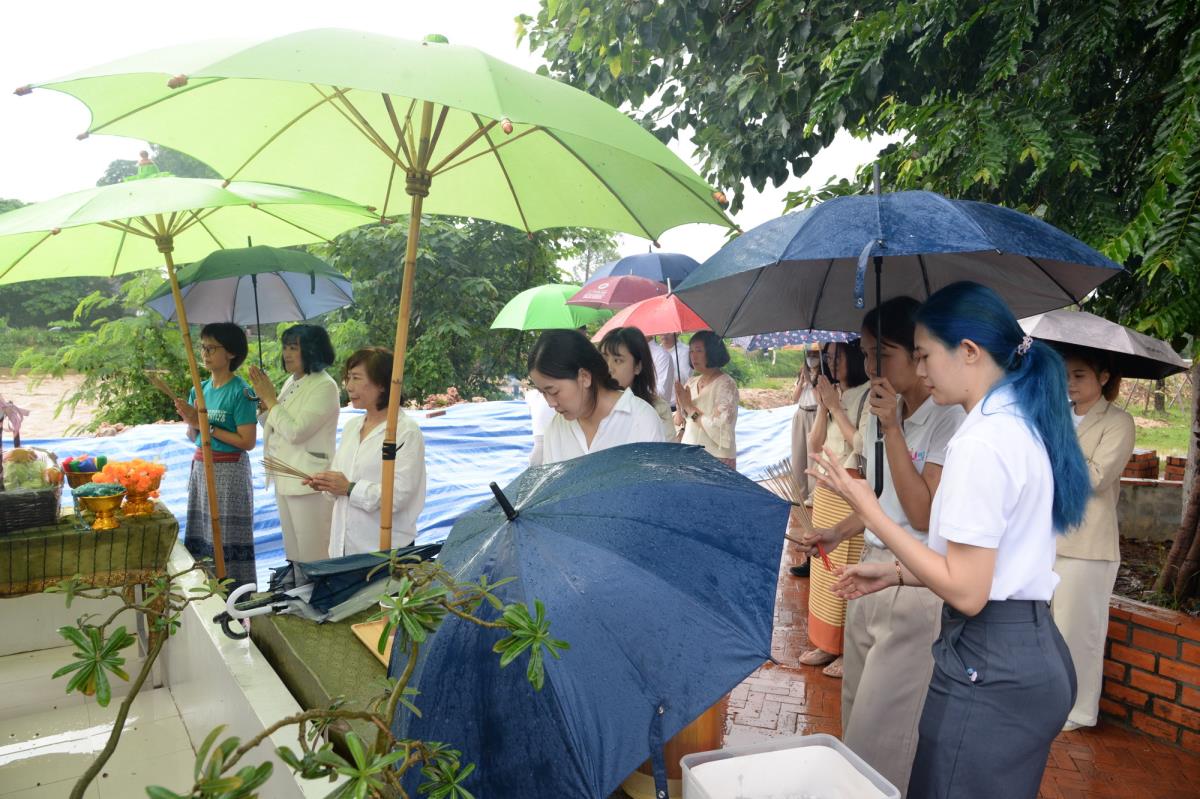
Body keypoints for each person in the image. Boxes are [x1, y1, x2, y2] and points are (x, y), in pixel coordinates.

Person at [813, 281, 1090, 799]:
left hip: (990, 656)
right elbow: (989, 567)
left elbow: (967, 590)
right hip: (1023, 643)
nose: (920, 371)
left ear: (968, 351)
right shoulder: (1014, 422)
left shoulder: (981, 440)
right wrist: (897, 572)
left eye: (924, 355)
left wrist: (870, 510)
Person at [799, 296, 964, 796]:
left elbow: (921, 514)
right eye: (867, 353)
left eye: (883, 353)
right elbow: (879, 503)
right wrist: (837, 531)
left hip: (913, 580)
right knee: (854, 716)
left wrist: (892, 427)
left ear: (918, 354)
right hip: (869, 572)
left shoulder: (947, 419)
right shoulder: (876, 415)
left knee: (883, 735)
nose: (872, 366)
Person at [1052, 346, 1135, 731]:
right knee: (1048, 631)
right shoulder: (1057, 416)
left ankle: (1079, 711)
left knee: (1078, 633)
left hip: (1087, 547)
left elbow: (1096, 478)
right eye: (1066, 375)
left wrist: (1057, 446)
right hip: (1047, 540)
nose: (1070, 383)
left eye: (1079, 375)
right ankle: (1050, 702)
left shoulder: (1118, 422)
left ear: (1103, 377)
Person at [796, 339, 871, 679]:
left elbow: (862, 445)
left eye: (836, 357)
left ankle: (845, 647)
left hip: (850, 489)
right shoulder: (833, 393)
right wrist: (825, 407)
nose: (829, 363)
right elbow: (814, 445)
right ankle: (825, 643)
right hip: (826, 488)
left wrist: (837, 409)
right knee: (824, 569)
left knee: (845, 568)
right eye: (827, 357)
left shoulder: (869, 395)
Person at [305, 348, 427, 555]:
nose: (349, 386)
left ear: (381, 384)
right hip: (344, 547)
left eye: (356, 378)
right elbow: (341, 481)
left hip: (384, 550)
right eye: (348, 378)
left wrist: (349, 488)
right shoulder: (352, 427)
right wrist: (327, 484)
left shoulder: (405, 432)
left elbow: (398, 497)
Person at [174, 323, 258, 589]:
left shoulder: (242, 392)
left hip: (229, 471)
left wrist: (205, 425)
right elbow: (194, 436)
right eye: (203, 347)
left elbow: (247, 441)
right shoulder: (199, 390)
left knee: (228, 534)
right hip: (201, 467)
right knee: (203, 531)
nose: (205, 353)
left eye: (212, 348)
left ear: (231, 352)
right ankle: (205, 592)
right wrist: (189, 419)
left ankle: (235, 595)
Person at [247, 324, 340, 564]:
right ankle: (299, 585)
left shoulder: (324, 385)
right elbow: (277, 425)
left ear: (311, 349)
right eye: (285, 347)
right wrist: (265, 407)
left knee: (314, 554)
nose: (286, 354)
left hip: (308, 479)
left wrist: (271, 399)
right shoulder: (293, 380)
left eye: (293, 348)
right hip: (284, 475)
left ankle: (315, 589)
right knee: (294, 553)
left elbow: (296, 431)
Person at [528, 329, 665, 465]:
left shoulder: (641, 420)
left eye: (553, 391)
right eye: (543, 393)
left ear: (584, 377)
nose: (550, 403)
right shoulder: (556, 429)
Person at [599, 326, 676, 441]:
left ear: (637, 367)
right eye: (604, 359)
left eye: (618, 360)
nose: (609, 368)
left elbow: (667, 451)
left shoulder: (658, 409)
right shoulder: (590, 407)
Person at [675, 331, 739, 468]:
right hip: (689, 454)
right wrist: (680, 403)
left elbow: (718, 429)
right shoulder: (691, 382)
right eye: (691, 351)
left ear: (712, 352)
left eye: (699, 350)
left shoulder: (726, 385)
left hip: (716, 458)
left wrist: (689, 407)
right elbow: (681, 421)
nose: (693, 356)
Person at [790, 344, 821, 504]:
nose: (811, 358)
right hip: (801, 414)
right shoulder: (801, 374)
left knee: (813, 456)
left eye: (815, 355)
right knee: (798, 455)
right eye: (809, 355)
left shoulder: (823, 375)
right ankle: (799, 494)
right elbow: (794, 399)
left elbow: (821, 400)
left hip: (816, 414)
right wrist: (802, 382)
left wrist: (812, 382)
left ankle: (814, 495)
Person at [657, 332, 691, 407]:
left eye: (668, 330)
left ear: (677, 332)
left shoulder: (686, 351)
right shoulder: (656, 352)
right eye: (662, 330)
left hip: (680, 404)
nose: (664, 333)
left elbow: (687, 378)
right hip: (659, 404)